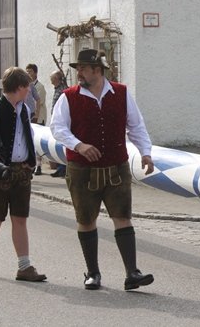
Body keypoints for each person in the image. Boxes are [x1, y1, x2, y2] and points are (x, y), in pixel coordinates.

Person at [50, 48, 155, 291]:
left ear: (97, 70)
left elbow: (136, 126)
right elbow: (58, 128)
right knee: (86, 220)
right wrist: (80, 145)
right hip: (82, 169)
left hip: (116, 165)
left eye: (83, 69)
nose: (79, 74)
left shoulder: (121, 92)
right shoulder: (69, 97)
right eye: (78, 69)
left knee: (123, 216)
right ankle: (93, 273)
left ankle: (132, 273)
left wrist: (146, 153)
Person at [0, 67, 47, 282]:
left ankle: (24, 266)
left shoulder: (24, 110)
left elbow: (27, 136)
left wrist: (31, 162)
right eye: (27, 87)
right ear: (19, 87)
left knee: (20, 218)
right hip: (1, 171)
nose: (29, 91)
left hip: (22, 171)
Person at [26, 64, 47, 175]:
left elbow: (39, 101)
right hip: (28, 117)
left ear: (35, 72)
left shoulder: (39, 87)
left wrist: (36, 115)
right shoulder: (26, 85)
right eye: (27, 71)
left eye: (30, 71)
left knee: (37, 142)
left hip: (37, 117)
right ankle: (32, 164)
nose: (28, 73)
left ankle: (38, 166)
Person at [49, 70, 68, 178]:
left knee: (63, 145)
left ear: (57, 79)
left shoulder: (63, 90)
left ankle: (64, 169)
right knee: (59, 145)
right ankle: (60, 168)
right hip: (57, 122)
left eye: (52, 79)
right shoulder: (57, 89)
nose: (51, 82)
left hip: (62, 122)